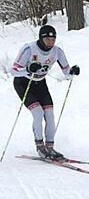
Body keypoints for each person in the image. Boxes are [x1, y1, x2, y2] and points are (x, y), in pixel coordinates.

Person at [11, 25, 80, 160]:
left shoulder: (57, 51)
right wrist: (29, 69)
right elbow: (14, 70)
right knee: (38, 113)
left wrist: (72, 71)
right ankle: (40, 146)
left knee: (49, 114)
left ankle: (50, 147)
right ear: (41, 38)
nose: (51, 42)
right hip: (24, 83)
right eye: (47, 39)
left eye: (53, 39)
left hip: (40, 84)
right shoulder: (29, 49)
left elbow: (66, 71)